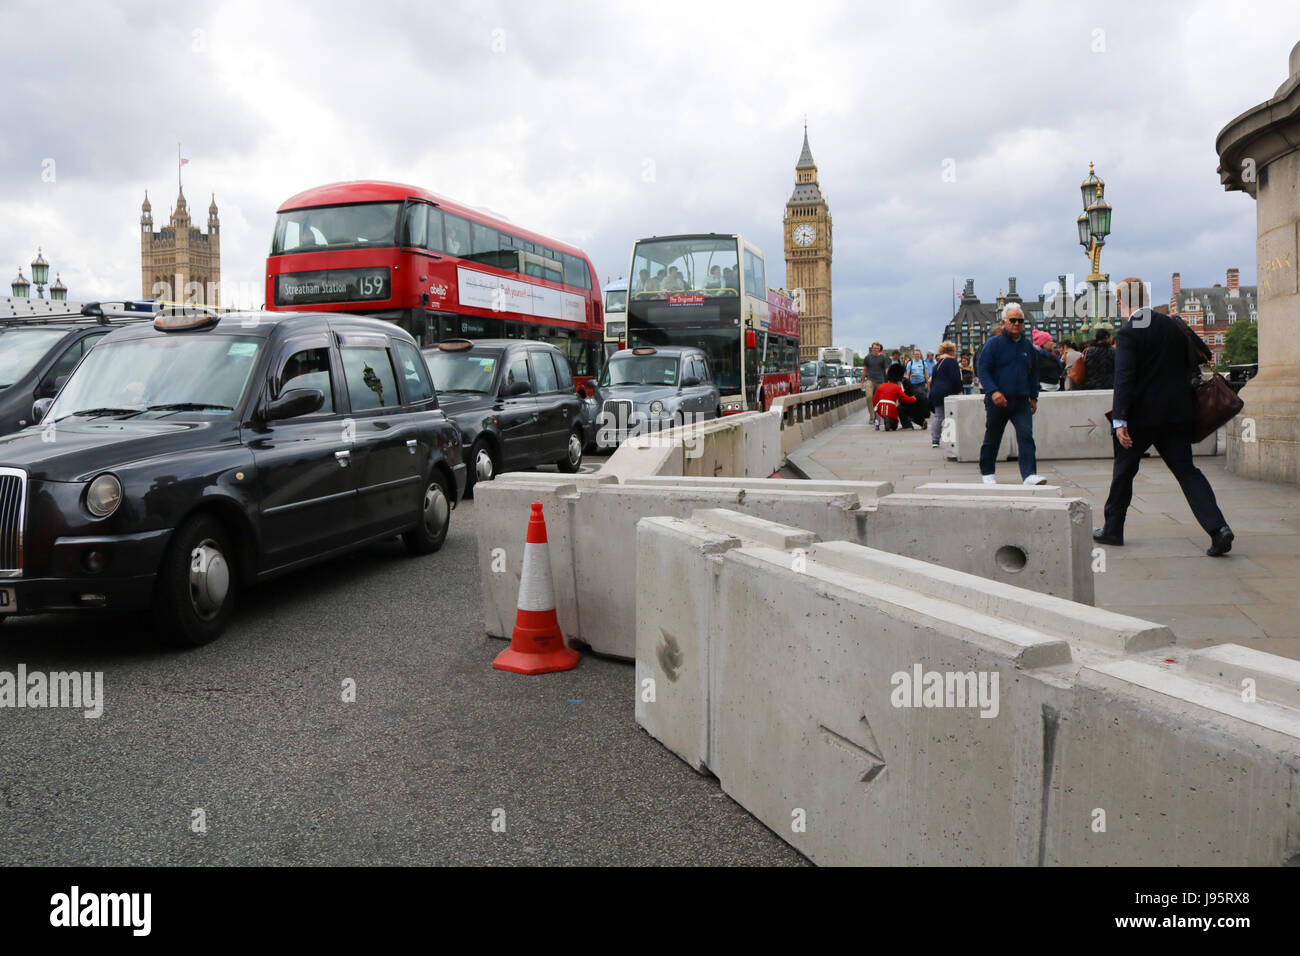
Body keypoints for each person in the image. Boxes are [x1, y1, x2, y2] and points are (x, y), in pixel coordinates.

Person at [1094, 277, 1233, 556]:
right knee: (1187, 472)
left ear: (1122, 302)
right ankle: (1218, 528)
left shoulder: (1129, 332)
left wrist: (1120, 420)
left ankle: (1113, 530)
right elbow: (1205, 353)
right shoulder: (1174, 324)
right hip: (1177, 414)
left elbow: (1124, 379)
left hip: (1141, 419)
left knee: (1124, 472)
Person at [975, 303, 1046, 485]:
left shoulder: (1027, 346)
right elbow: (982, 369)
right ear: (1004, 322)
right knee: (993, 436)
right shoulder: (993, 344)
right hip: (998, 401)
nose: (1016, 324)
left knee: (1026, 436)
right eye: (1012, 320)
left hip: (1021, 401)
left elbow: (1034, 373)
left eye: (1020, 321)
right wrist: (993, 391)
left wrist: (1033, 396)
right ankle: (988, 472)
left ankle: (1029, 475)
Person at [928, 341, 962, 448]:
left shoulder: (938, 363)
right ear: (952, 351)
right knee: (949, 417)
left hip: (936, 392)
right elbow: (955, 378)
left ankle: (935, 440)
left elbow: (932, 380)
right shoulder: (952, 362)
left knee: (938, 416)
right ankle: (948, 439)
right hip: (947, 392)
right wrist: (959, 391)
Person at [872, 363, 915, 432]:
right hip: (891, 408)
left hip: (881, 407)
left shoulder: (881, 386)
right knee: (895, 425)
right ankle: (890, 421)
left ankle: (886, 419)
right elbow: (905, 398)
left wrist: (877, 408)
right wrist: (913, 398)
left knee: (884, 413)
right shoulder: (897, 387)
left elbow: (874, 400)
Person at [861, 342, 890, 426]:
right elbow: (865, 370)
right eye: (874, 348)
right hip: (870, 380)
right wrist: (862, 382)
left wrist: (887, 380)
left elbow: (886, 369)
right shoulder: (868, 357)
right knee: (869, 397)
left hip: (880, 381)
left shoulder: (883, 358)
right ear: (872, 348)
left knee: (880, 399)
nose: (876, 350)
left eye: (877, 348)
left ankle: (879, 415)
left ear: (879, 349)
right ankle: (872, 417)